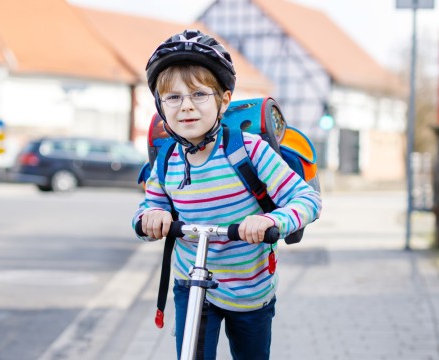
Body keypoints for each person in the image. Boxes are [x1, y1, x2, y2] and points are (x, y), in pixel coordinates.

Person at [132, 29, 322, 360]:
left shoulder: (248, 150)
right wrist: (151, 218)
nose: (186, 107)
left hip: (250, 286)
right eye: (173, 97)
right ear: (160, 106)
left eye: (198, 95)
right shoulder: (166, 160)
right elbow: (148, 207)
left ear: (223, 100)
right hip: (192, 284)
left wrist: (269, 219)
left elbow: (307, 200)